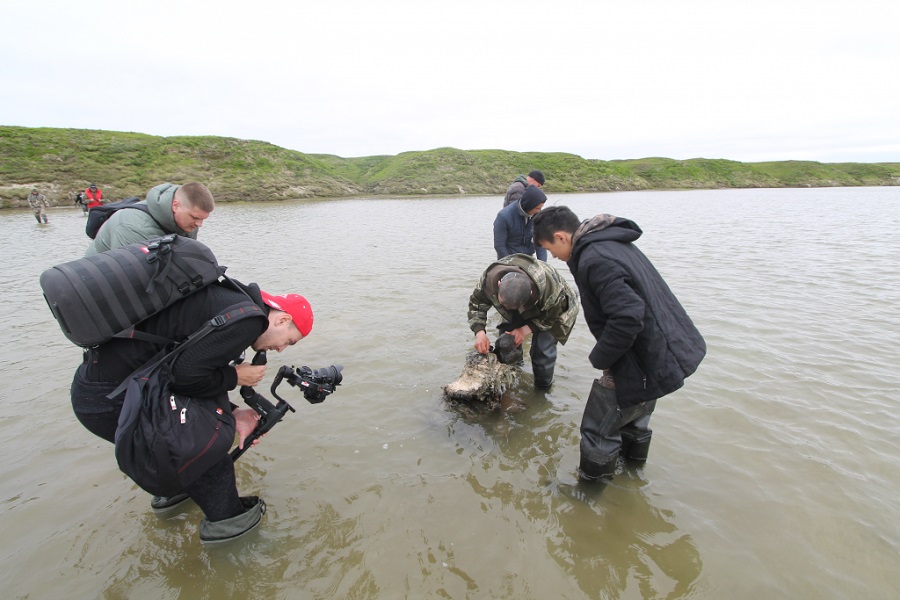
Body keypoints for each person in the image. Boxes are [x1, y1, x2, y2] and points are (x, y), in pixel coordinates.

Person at [69, 278, 314, 542]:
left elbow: (187, 372)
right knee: (207, 451)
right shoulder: (249, 322)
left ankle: (173, 502)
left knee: (194, 442)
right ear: (281, 320)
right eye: (289, 341)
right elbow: (182, 377)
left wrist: (233, 412)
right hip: (113, 399)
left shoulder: (233, 299)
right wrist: (235, 378)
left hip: (100, 389)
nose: (280, 349)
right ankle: (234, 543)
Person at [533, 206, 706, 481]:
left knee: (597, 429)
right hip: (657, 352)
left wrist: (600, 359)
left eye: (551, 249)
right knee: (635, 420)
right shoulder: (610, 242)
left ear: (561, 237)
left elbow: (627, 318)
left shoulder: (595, 258)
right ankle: (633, 474)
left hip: (639, 359)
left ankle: (590, 492)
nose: (553, 256)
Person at [467, 253, 579, 389]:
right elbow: (477, 304)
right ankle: (514, 375)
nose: (506, 308)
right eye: (503, 303)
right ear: (499, 284)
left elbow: (552, 316)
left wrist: (524, 330)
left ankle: (542, 390)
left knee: (542, 351)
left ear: (530, 294)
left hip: (555, 309)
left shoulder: (549, 291)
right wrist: (480, 333)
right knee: (506, 343)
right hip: (521, 299)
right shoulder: (489, 279)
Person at [85, 182, 214, 256]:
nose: (199, 224)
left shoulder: (189, 223)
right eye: (195, 217)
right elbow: (134, 278)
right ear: (175, 205)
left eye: (203, 219)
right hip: (95, 286)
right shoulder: (133, 227)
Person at [494, 185, 548, 261]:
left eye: (540, 208)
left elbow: (540, 244)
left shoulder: (538, 216)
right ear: (529, 205)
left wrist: (543, 264)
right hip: (507, 259)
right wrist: (510, 263)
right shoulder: (503, 216)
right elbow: (499, 245)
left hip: (528, 259)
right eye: (537, 208)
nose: (539, 211)